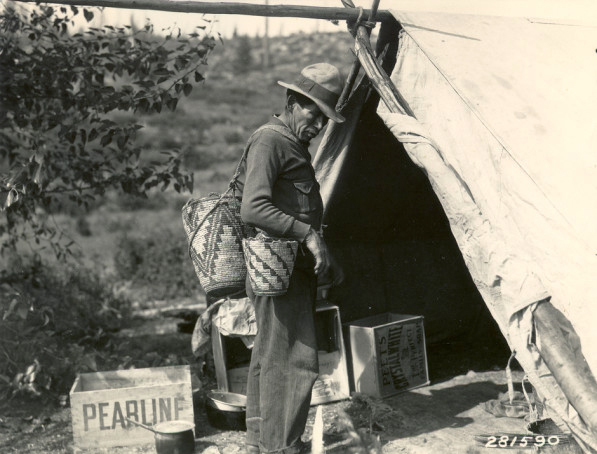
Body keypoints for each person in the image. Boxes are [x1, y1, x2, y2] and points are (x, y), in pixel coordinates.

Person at [237, 63, 345, 454]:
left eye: (323, 117)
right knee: (294, 361)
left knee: (271, 356)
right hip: (277, 269)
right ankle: (282, 447)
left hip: (288, 269)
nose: (316, 124)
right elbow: (254, 208)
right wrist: (308, 235)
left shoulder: (290, 144)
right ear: (291, 102)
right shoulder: (271, 141)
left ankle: (260, 443)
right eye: (311, 112)